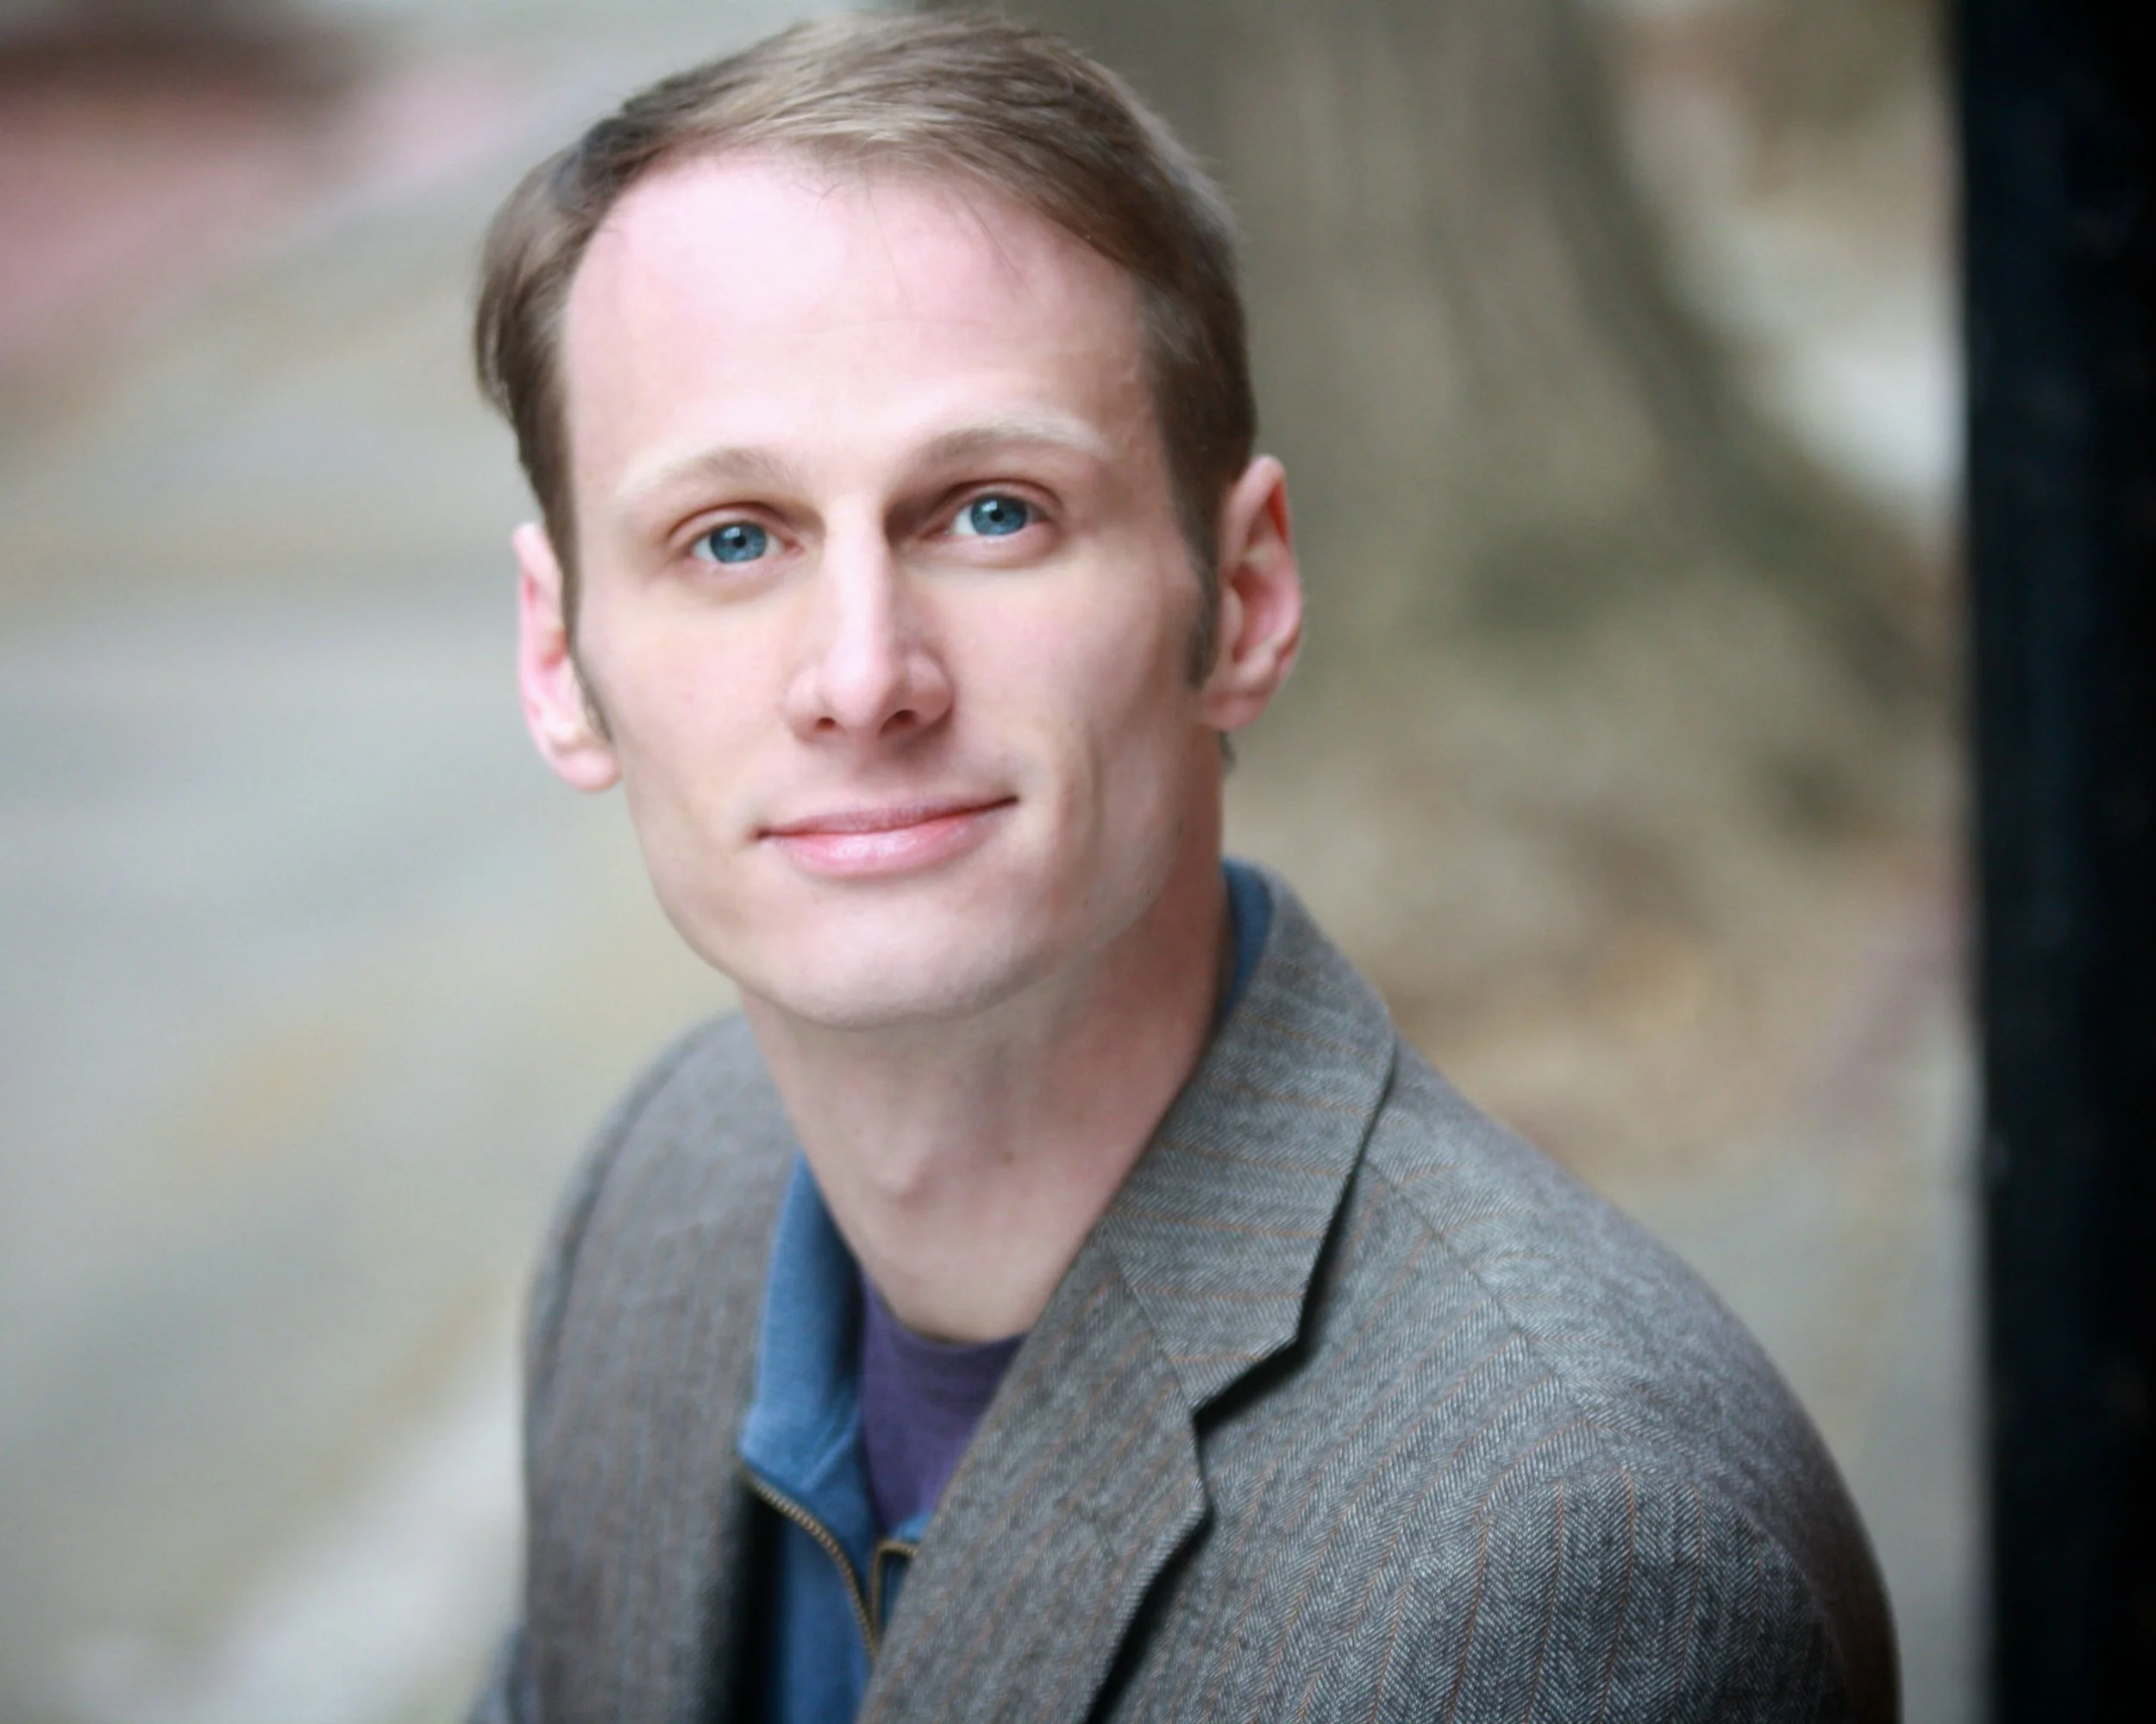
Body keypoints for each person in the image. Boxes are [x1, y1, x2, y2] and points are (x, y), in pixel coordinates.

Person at [467, 12, 1896, 1722]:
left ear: (1244, 599)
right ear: (558, 660)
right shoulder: (655, 1195)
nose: (861, 676)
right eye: (730, 538)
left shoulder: (1583, 1559)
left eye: (990, 510)